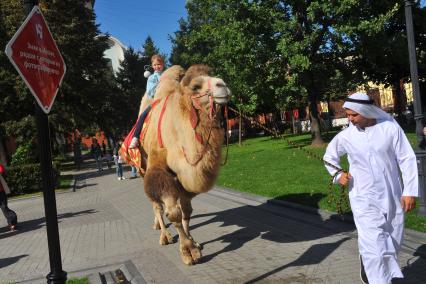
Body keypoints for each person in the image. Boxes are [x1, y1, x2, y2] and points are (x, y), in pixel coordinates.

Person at [323, 92, 418, 284]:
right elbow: (329, 157)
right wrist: (338, 175)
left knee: (393, 236)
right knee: (373, 243)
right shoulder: (346, 136)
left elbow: (406, 158)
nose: (350, 119)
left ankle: (373, 265)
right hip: (362, 195)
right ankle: (377, 278)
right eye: (347, 115)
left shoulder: (390, 129)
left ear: (365, 112)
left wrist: (410, 191)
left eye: (353, 115)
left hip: (391, 193)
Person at [129, 54, 165, 149]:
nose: (157, 66)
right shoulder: (152, 78)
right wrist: (160, 84)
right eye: (155, 65)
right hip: (158, 101)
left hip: (170, 100)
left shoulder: (168, 75)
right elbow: (150, 92)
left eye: (159, 64)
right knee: (143, 115)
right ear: (152, 66)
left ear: (163, 64)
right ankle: (135, 137)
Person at [0, 164, 18, 231]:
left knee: (4, 207)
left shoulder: (0, 166)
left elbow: (2, 172)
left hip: (1, 192)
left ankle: (12, 222)